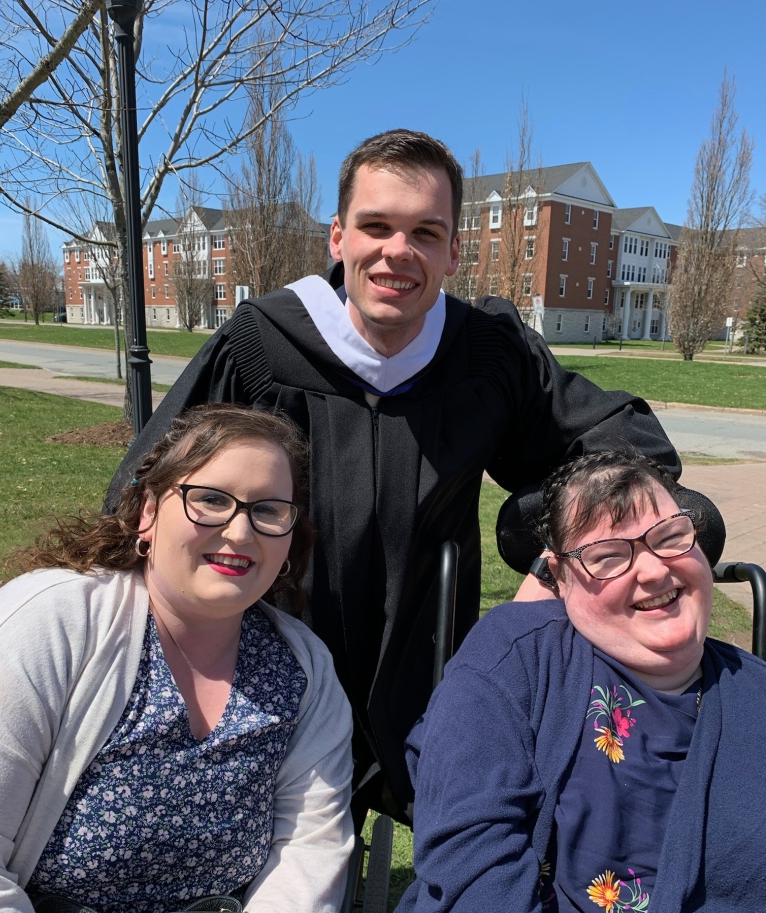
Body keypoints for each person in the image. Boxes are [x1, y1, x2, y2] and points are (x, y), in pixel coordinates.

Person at [108, 129, 720, 825]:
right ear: (338, 237)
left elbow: (624, 449)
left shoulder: (487, 355)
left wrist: (549, 552)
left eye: (426, 232)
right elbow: (146, 492)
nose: (398, 251)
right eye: (377, 226)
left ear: (454, 251)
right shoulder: (262, 345)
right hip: (270, 654)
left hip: (425, 667)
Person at [325, 450, 766, 913]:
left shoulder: (753, 696)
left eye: (670, 537)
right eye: (609, 557)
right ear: (560, 580)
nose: (656, 571)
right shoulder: (516, 658)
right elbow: (471, 862)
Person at [0, 405, 354, 913]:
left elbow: (308, 858)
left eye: (269, 511)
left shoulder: (301, 671)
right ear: (149, 514)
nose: (240, 533)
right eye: (210, 500)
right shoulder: (53, 625)